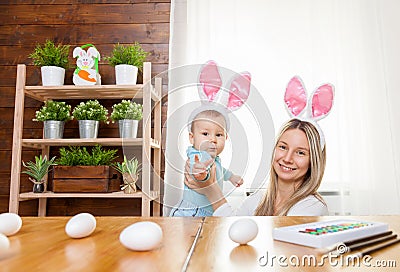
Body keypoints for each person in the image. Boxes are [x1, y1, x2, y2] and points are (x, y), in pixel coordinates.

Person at [183, 76, 335, 216]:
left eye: (300, 153)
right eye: (283, 147)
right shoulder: (257, 200)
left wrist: (212, 191)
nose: (287, 158)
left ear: (313, 161)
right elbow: (232, 229)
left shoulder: (312, 207)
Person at [170, 109, 244, 217]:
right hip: (192, 212)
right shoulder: (198, 156)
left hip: (209, 211)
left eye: (218, 135)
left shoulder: (214, 160)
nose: (213, 139)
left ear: (226, 137)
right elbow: (195, 167)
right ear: (192, 138)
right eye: (205, 133)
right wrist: (201, 174)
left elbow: (221, 171)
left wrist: (232, 177)